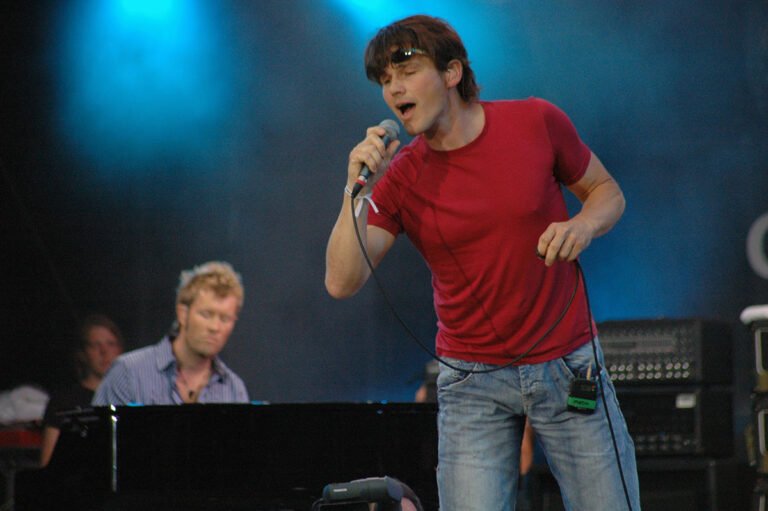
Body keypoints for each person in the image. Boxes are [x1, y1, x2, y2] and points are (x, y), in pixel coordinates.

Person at [325, 14, 639, 511]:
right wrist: (353, 187)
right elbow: (342, 280)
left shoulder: (535, 121)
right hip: (473, 382)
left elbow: (607, 192)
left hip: (566, 363)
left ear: (452, 73)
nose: (393, 89)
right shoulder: (403, 176)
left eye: (406, 71)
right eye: (385, 80)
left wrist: (582, 226)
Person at [93, 261, 249, 406]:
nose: (215, 327)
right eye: (206, 314)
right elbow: (100, 434)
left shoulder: (233, 389)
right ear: (182, 314)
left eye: (225, 318)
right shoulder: (128, 373)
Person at [40, 314, 124, 466]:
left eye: (110, 344)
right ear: (83, 354)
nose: (104, 352)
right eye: (95, 345)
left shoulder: (131, 397)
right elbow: (48, 463)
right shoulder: (64, 402)